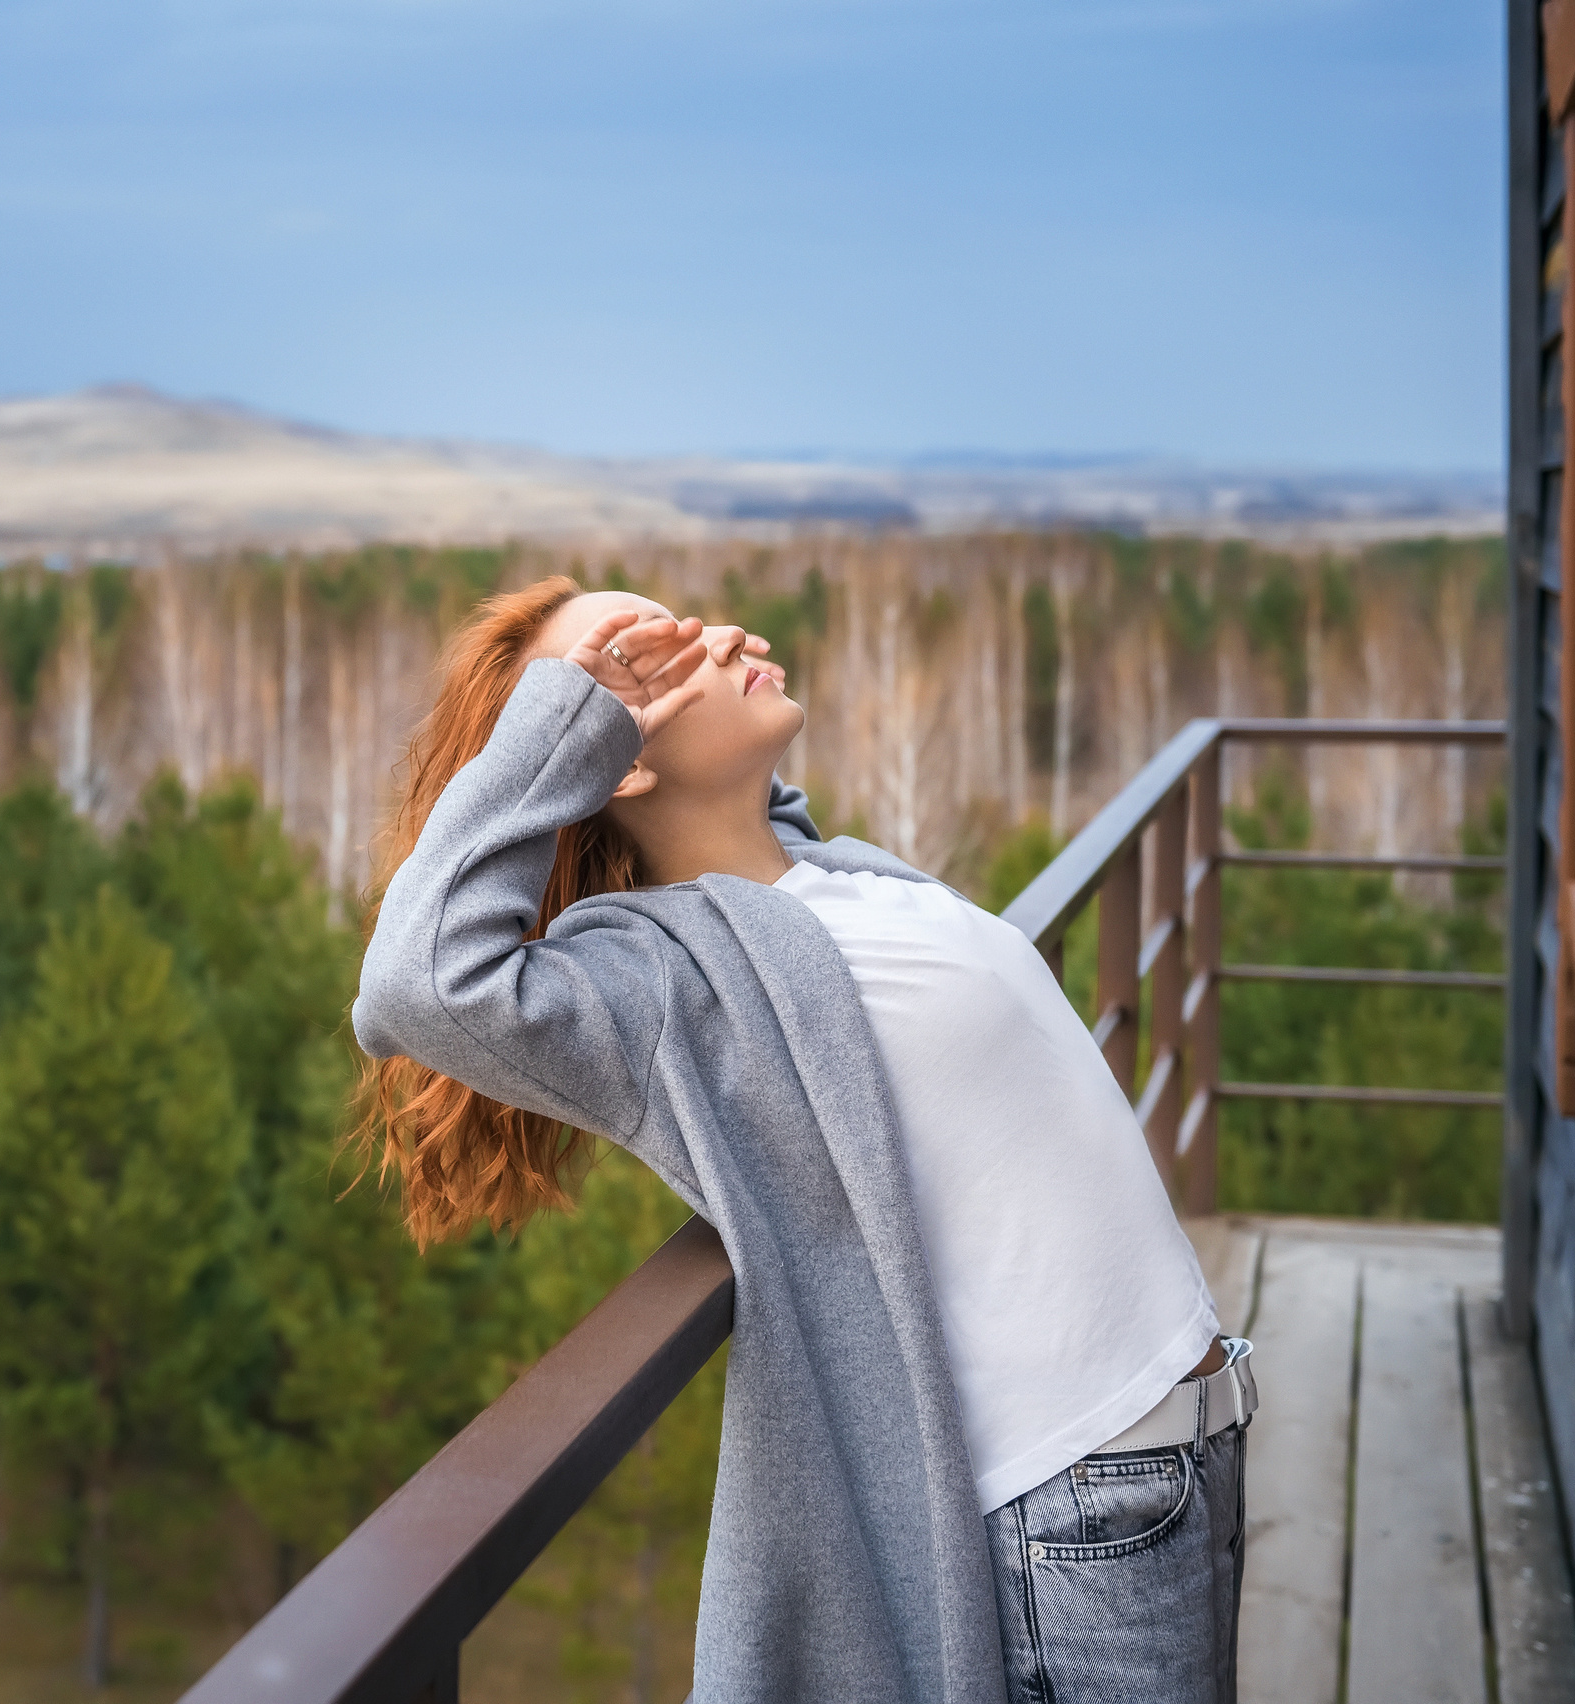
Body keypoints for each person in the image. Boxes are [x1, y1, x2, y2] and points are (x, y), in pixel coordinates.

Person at [351, 576, 1256, 1703]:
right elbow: (413, 988)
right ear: (604, 753)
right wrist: (562, 725)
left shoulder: (838, 879)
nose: (719, 634)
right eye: (645, 655)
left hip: (1188, 1442)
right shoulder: (671, 982)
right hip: (1077, 1503)